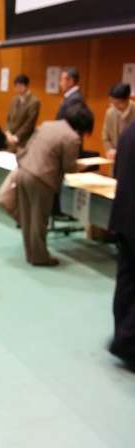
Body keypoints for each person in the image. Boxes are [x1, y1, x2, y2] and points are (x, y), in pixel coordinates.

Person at [16, 103, 94, 267]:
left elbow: (28, 146)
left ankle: (31, 253)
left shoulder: (47, 125)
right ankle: (39, 257)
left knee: (27, 217)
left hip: (23, 171)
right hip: (41, 179)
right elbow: (69, 167)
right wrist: (81, 166)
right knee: (39, 219)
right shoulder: (72, 137)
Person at [109, 121, 135, 366]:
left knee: (126, 279)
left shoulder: (129, 131)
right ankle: (128, 342)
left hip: (124, 217)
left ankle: (121, 334)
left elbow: (116, 172)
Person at [5, 74, 40, 151]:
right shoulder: (14, 99)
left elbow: (29, 123)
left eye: (20, 86)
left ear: (26, 86)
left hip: (23, 141)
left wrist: (17, 136)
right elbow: (8, 118)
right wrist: (7, 132)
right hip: (10, 139)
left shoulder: (34, 101)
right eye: (16, 86)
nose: (18, 89)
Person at [102, 83, 135, 161]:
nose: (115, 106)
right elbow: (105, 136)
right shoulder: (110, 112)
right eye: (112, 102)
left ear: (127, 99)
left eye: (118, 103)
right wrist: (109, 150)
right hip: (116, 159)